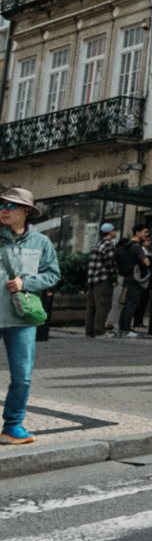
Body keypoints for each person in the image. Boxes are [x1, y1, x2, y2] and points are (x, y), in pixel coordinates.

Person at [0, 188, 60, 446]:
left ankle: (12, 426)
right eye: (2, 204)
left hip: (21, 318)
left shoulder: (41, 243)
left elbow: (52, 275)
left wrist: (27, 282)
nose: (4, 209)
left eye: (12, 206)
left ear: (26, 211)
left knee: (22, 375)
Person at [115, 224, 152, 336]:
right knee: (132, 303)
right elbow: (147, 262)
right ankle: (127, 328)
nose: (147, 235)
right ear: (137, 232)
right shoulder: (137, 247)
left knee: (128, 303)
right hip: (136, 278)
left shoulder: (126, 245)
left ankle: (122, 327)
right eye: (145, 232)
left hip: (127, 276)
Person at [85, 223, 118, 338]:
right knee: (103, 305)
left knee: (92, 306)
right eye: (114, 230)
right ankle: (99, 331)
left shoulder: (98, 244)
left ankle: (89, 331)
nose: (115, 232)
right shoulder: (109, 245)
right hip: (103, 279)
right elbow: (110, 263)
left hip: (92, 279)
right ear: (109, 233)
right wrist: (114, 278)